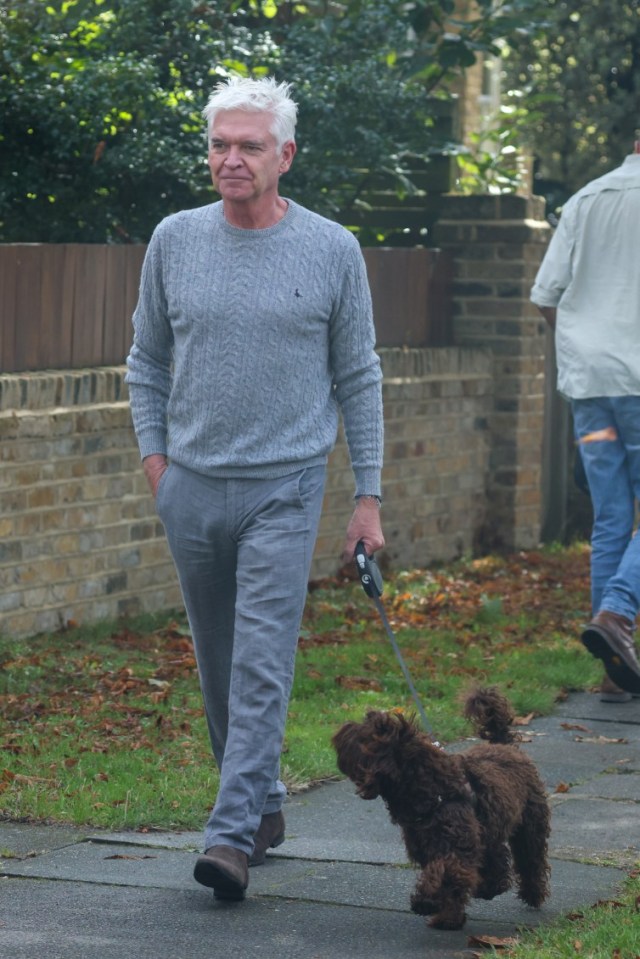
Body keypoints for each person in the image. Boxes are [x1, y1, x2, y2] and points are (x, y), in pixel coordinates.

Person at [125, 75, 385, 901]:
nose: (230, 159)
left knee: (263, 661)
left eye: (248, 145)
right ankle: (265, 804)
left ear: (286, 156)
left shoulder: (332, 248)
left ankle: (230, 834)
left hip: (287, 482)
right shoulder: (173, 238)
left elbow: (359, 375)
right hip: (192, 485)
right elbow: (146, 361)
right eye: (219, 144)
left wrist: (367, 494)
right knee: (219, 665)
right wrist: (158, 465)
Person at [531, 145, 640, 703]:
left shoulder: (585, 200)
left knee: (611, 519)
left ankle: (611, 673)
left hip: (592, 391)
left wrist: (583, 345)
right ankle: (618, 613)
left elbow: (545, 295)